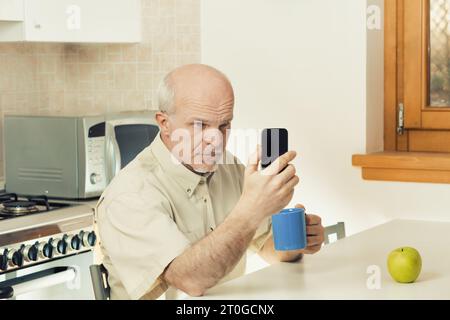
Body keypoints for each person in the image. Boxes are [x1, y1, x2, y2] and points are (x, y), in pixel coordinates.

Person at [94, 64, 325, 300]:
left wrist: (298, 239)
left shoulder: (228, 167)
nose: (215, 140)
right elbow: (191, 281)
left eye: (224, 125)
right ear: (164, 123)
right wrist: (251, 210)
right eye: (199, 125)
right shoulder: (129, 195)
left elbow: (269, 248)